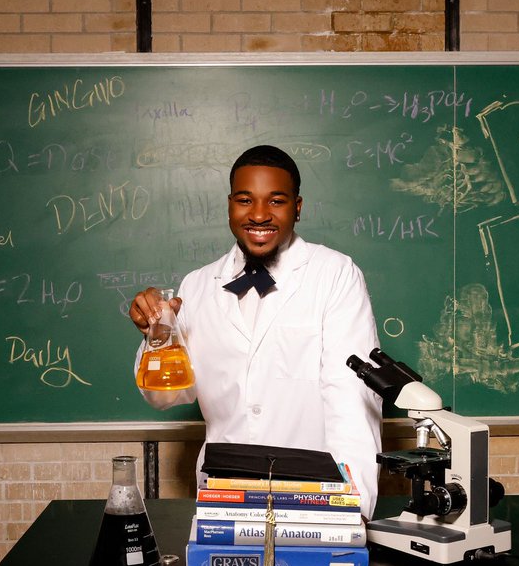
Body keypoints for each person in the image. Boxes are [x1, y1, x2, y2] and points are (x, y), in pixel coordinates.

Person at [129, 145, 383, 519]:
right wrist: (158, 333)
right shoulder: (198, 285)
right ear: (230, 204)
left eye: (276, 201)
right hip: (222, 495)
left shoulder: (334, 274)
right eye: (245, 200)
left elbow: (352, 398)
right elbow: (166, 397)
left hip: (314, 496)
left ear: (297, 207)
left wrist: (353, 507)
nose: (259, 214)